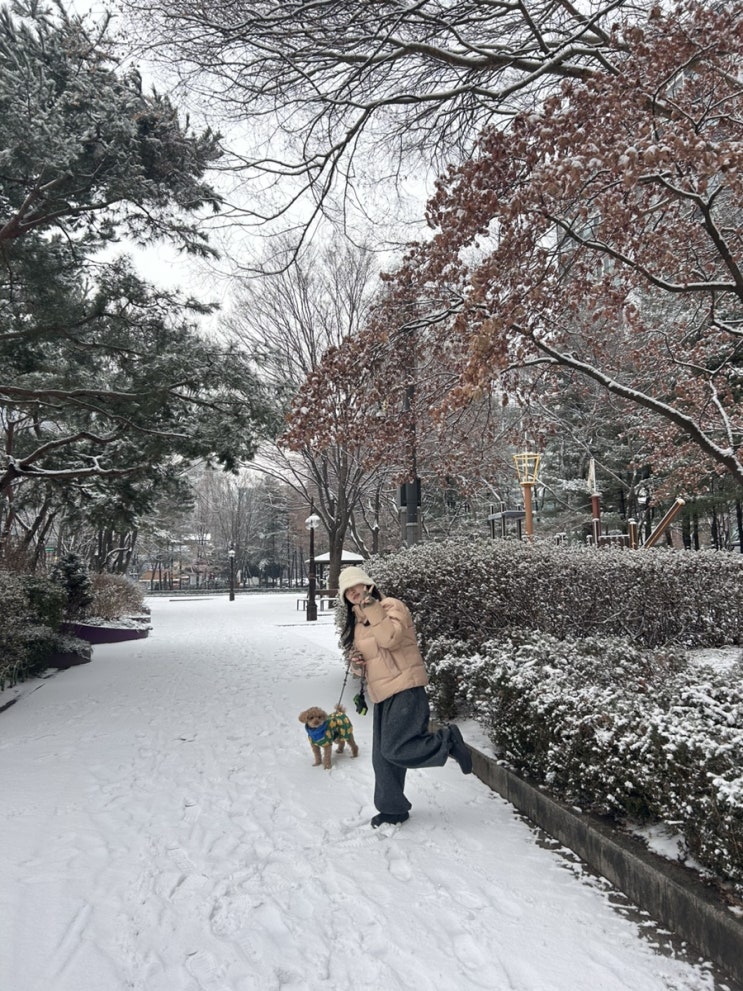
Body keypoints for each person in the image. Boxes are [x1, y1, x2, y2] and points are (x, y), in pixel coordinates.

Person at [337, 566, 472, 829]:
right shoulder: (359, 623)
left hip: (405, 686)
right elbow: (366, 665)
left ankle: (447, 741)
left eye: (356, 586)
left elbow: (390, 639)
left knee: (395, 749)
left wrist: (371, 607)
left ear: (368, 585)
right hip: (381, 693)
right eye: (347, 590)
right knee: (382, 758)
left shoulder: (391, 606)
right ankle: (392, 810)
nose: (353, 592)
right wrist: (356, 663)